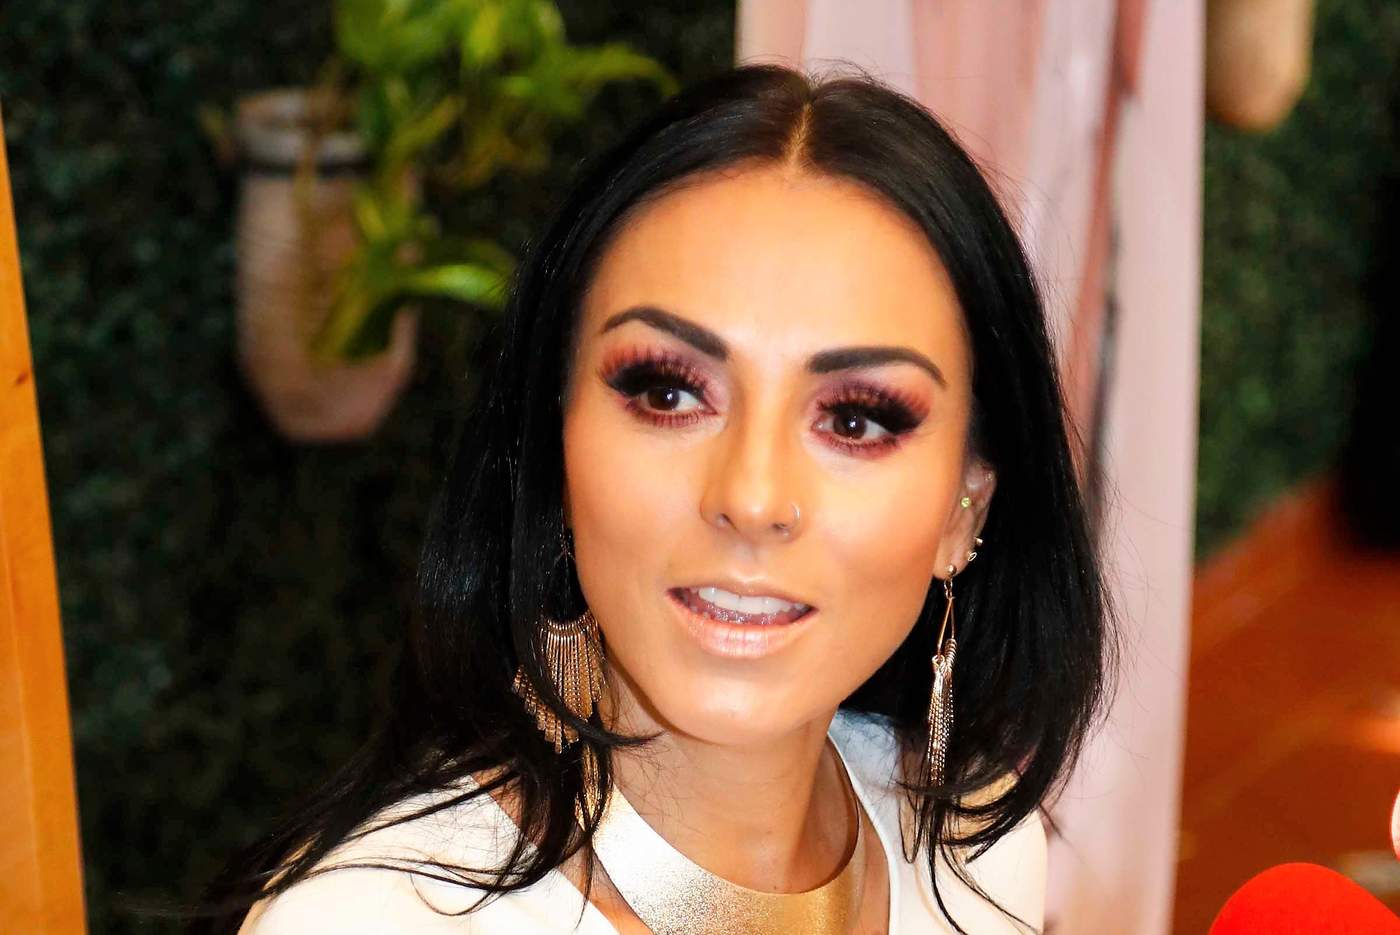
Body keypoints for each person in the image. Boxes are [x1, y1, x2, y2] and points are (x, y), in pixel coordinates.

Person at [191, 62, 1114, 935]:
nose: (752, 497)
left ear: (966, 505)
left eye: (856, 419)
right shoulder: (370, 919)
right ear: (555, 451)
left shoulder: (977, 855)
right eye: (668, 393)